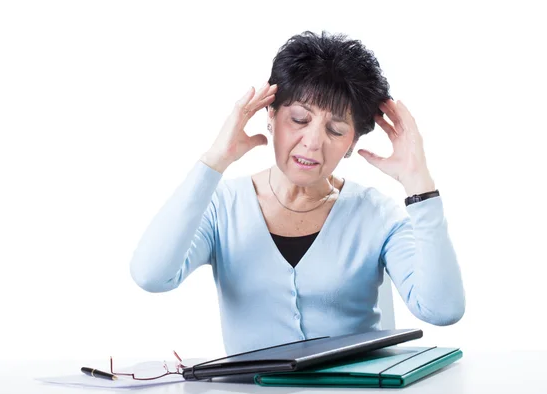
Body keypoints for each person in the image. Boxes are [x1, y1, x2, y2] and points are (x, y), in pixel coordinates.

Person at [129, 31, 465, 356]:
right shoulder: (224, 206)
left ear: (352, 144)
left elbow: (442, 309)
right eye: (300, 119)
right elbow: (152, 275)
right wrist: (215, 160)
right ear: (271, 115)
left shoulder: (375, 214)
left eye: (335, 129)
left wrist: (419, 184)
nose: (313, 142)